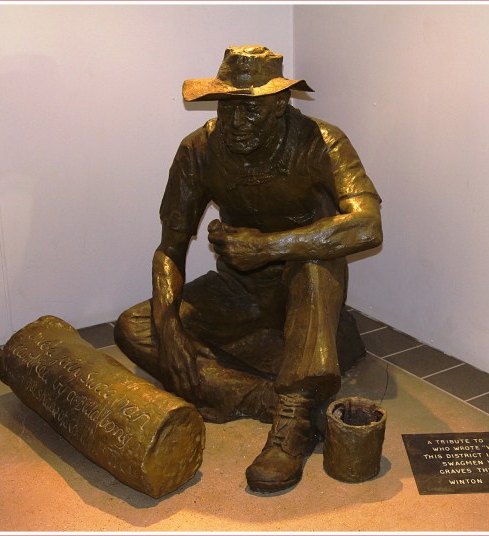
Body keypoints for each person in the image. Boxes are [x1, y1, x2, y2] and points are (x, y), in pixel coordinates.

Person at [114, 45, 382, 493]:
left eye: (251, 108)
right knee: (137, 325)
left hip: (304, 288)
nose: (237, 122)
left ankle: (291, 424)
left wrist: (268, 247)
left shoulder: (322, 141)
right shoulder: (199, 149)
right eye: (229, 106)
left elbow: (367, 225)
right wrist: (170, 328)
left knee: (315, 265)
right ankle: (263, 399)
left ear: (280, 103)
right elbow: (169, 250)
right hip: (237, 291)